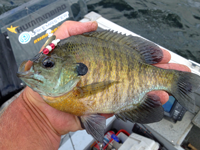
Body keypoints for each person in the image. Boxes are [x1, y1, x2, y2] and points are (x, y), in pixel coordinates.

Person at [0, 21, 191, 150]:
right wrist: (31, 108)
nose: (37, 70)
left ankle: (175, 81)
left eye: (48, 64)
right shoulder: (54, 95)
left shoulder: (67, 93)